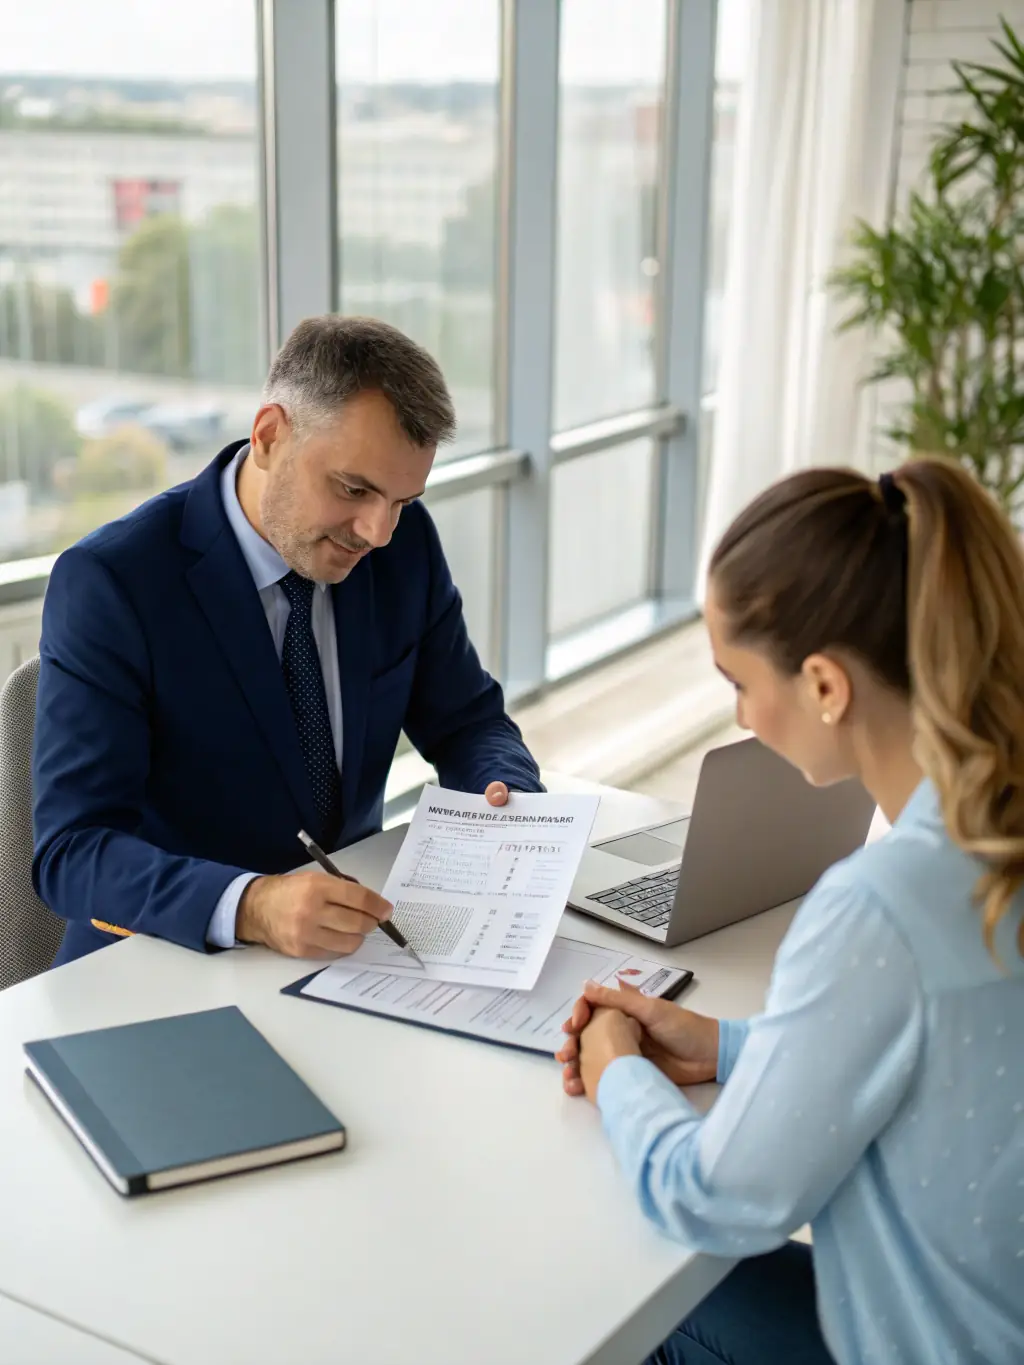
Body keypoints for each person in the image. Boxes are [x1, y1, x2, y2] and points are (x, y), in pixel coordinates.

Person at [556, 459, 1024, 1365]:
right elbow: (947, 1066)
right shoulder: (991, 840)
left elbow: (710, 1196)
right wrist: (727, 1046)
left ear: (824, 684)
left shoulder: (882, 908)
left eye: (737, 681)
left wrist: (616, 1067)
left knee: (623, 1275)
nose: (738, 715)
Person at [33, 315, 542, 967]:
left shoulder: (403, 547)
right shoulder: (114, 583)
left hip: (352, 957)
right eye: (354, 489)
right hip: (160, 964)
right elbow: (72, 850)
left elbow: (468, 721)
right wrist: (250, 904)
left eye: (403, 500)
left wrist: (508, 798)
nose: (378, 531)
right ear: (270, 435)